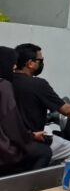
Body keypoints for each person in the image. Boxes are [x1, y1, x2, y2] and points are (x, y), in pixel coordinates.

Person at [11, 43, 70, 163]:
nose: (42, 63)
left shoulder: (6, 81)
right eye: (40, 60)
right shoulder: (38, 84)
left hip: (10, 142)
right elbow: (67, 111)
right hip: (33, 141)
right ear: (30, 63)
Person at [0, 47, 52, 175]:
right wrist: (31, 136)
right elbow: (12, 125)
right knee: (45, 152)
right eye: (12, 63)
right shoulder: (4, 86)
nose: (14, 67)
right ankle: (28, 186)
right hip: (3, 151)